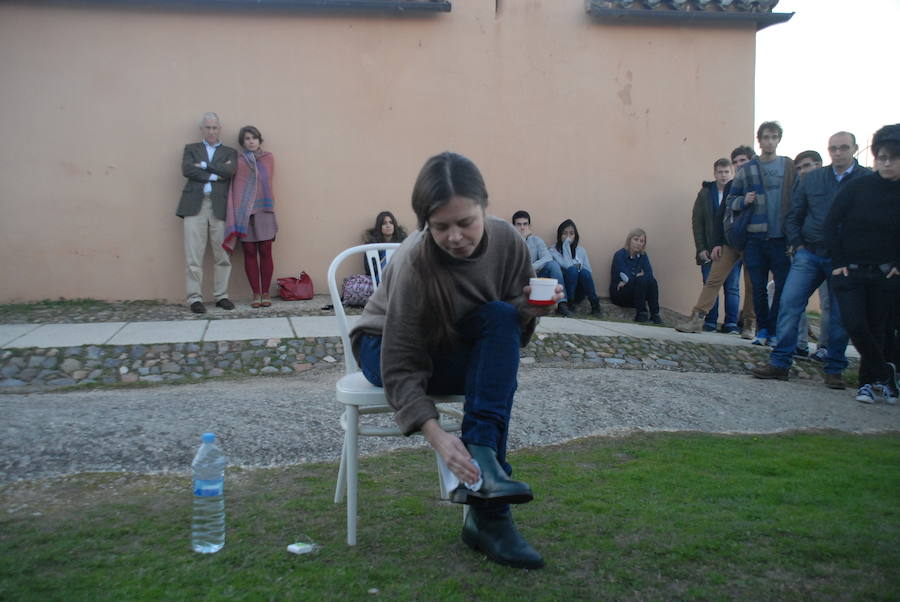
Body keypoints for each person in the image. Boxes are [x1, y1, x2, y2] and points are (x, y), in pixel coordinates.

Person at [350, 152, 562, 569]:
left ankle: (483, 460)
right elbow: (401, 365)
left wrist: (534, 309)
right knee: (492, 367)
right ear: (424, 223)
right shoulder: (414, 261)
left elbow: (509, 329)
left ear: (484, 207)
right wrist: (437, 435)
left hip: (447, 340)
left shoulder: (508, 242)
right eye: (440, 226)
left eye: (466, 222)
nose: (455, 237)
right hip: (385, 347)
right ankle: (492, 516)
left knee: (500, 319)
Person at [750, 132, 871, 389]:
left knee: (839, 314)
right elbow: (794, 215)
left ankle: (835, 368)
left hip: (844, 258)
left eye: (843, 148)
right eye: (833, 148)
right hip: (810, 252)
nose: (837, 153)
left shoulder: (867, 180)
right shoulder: (814, 179)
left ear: (855, 149)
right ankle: (780, 362)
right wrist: (797, 244)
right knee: (789, 303)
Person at [824, 124, 900, 404]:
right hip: (851, 270)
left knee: (878, 328)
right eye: (882, 157)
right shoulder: (859, 186)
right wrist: (839, 261)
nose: (887, 163)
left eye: (893, 158)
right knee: (855, 324)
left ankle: (868, 383)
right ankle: (884, 372)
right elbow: (831, 223)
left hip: (886, 273)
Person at [724, 121, 794, 346]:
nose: (770, 141)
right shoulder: (747, 169)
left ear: (779, 140)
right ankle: (762, 330)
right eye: (766, 137)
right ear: (760, 140)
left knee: (782, 288)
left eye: (774, 137)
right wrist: (744, 200)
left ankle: (774, 330)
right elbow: (730, 201)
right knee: (758, 288)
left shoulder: (788, 167)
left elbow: (798, 200)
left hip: (781, 238)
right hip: (754, 237)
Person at [674, 146, 756, 337]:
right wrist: (717, 242)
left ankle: (749, 325)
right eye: (735, 161)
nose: (738, 165)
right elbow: (721, 215)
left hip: (753, 241)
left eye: (742, 160)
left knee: (751, 285)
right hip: (730, 242)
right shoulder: (731, 185)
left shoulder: (759, 183)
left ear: (751, 161)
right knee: (713, 280)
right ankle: (697, 319)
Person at [176, 112, 237, 314]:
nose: (211, 131)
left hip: (220, 207)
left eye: (215, 127)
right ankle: (195, 298)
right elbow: (187, 170)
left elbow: (230, 172)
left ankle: (222, 296)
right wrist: (216, 173)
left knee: (223, 255)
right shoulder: (191, 149)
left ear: (219, 129)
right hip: (195, 205)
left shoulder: (229, 152)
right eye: (208, 127)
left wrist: (203, 166)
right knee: (194, 255)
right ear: (201, 129)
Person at [223, 126, 278, 308]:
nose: (251, 141)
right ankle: (255, 294)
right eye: (247, 138)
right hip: (244, 213)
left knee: (265, 250)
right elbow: (236, 186)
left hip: (264, 211)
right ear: (242, 142)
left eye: (254, 137)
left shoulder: (268, 158)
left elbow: (265, 183)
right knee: (249, 252)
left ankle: (266, 293)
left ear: (259, 140)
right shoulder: (238, 162)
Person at [690, 157, 741, 333]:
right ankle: (710, 321)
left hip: (731, 246)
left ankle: (731, 323)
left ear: (732, 172)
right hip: (709, 249)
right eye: (720, 172)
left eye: (727, 171)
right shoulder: (705, 193)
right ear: (714, 173)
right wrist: (701, 248)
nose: (723, 175)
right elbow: (697, 222)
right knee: (710, 284)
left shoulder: (737, 190)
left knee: (732, 286)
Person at [792, 150, 826, 360]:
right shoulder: (800, 188)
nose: (803, 171)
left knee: (829, 303)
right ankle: (799, 343)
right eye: (799, 168)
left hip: (832, 254)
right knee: (793, 298)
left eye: (807, 166)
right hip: (805, 252)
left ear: (819, 165)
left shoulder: (830, 186)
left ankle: (825, 348)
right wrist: (796, 244)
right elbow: (793, 217)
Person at [512, 210, 571, 317]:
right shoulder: (510, 241)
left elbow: (547, 257)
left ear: (529, 226)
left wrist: (532, 267)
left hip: (537, 278)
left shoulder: (537, 240)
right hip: (519, 278)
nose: (522, 228)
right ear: (513, 226)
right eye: (518, 224)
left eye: (525, 224)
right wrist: (523, 239)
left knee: (553, 264)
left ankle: (562, 303)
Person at [548, 219, 603, 318]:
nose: (568, 237)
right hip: (563, 290)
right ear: (559, 235)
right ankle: (568, 304)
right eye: (565, 233)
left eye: (571, 233)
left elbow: (588, 272)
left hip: (578, 290)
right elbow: (567, 264)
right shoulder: (553, 250)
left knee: (584, 273)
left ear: (575, 236)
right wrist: (566, 247)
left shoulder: (581, 251)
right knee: (572, 270)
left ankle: (595, 305)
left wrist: (579, 270)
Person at [610, 228, 661, 323]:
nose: (638, 243)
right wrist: (639, 275)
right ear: (629, 240)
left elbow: (649, 275)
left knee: (652, 281)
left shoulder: (643, 256)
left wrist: (636, 277)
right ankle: (641, 313)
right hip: (621, 294)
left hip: (637, 294)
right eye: (636, 239)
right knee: (642, 280)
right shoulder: (619, 255)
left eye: (642, 241)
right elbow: (626, 277)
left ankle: (655, 314)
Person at [362, 211, 407, 281]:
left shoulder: (403, 242)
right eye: (384, 223)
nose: (388, 226)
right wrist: (384, 259)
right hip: (380, 279)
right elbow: (369, 270)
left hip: (400, 277)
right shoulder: (372, 245)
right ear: (379, 227)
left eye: (391, 223)